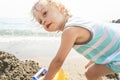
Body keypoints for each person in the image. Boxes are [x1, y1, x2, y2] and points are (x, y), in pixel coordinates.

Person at [32, 0, 120, 80]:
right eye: (40, 21)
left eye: (45, 13)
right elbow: (99, 37)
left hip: (117, 54)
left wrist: (46, 78)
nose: (43, 21)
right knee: (90, 73)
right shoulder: (76, 22)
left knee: (91, 74)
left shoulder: (69, 31)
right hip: (116, 47)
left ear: (60, 8)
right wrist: (94, 59)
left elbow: (58, 61)